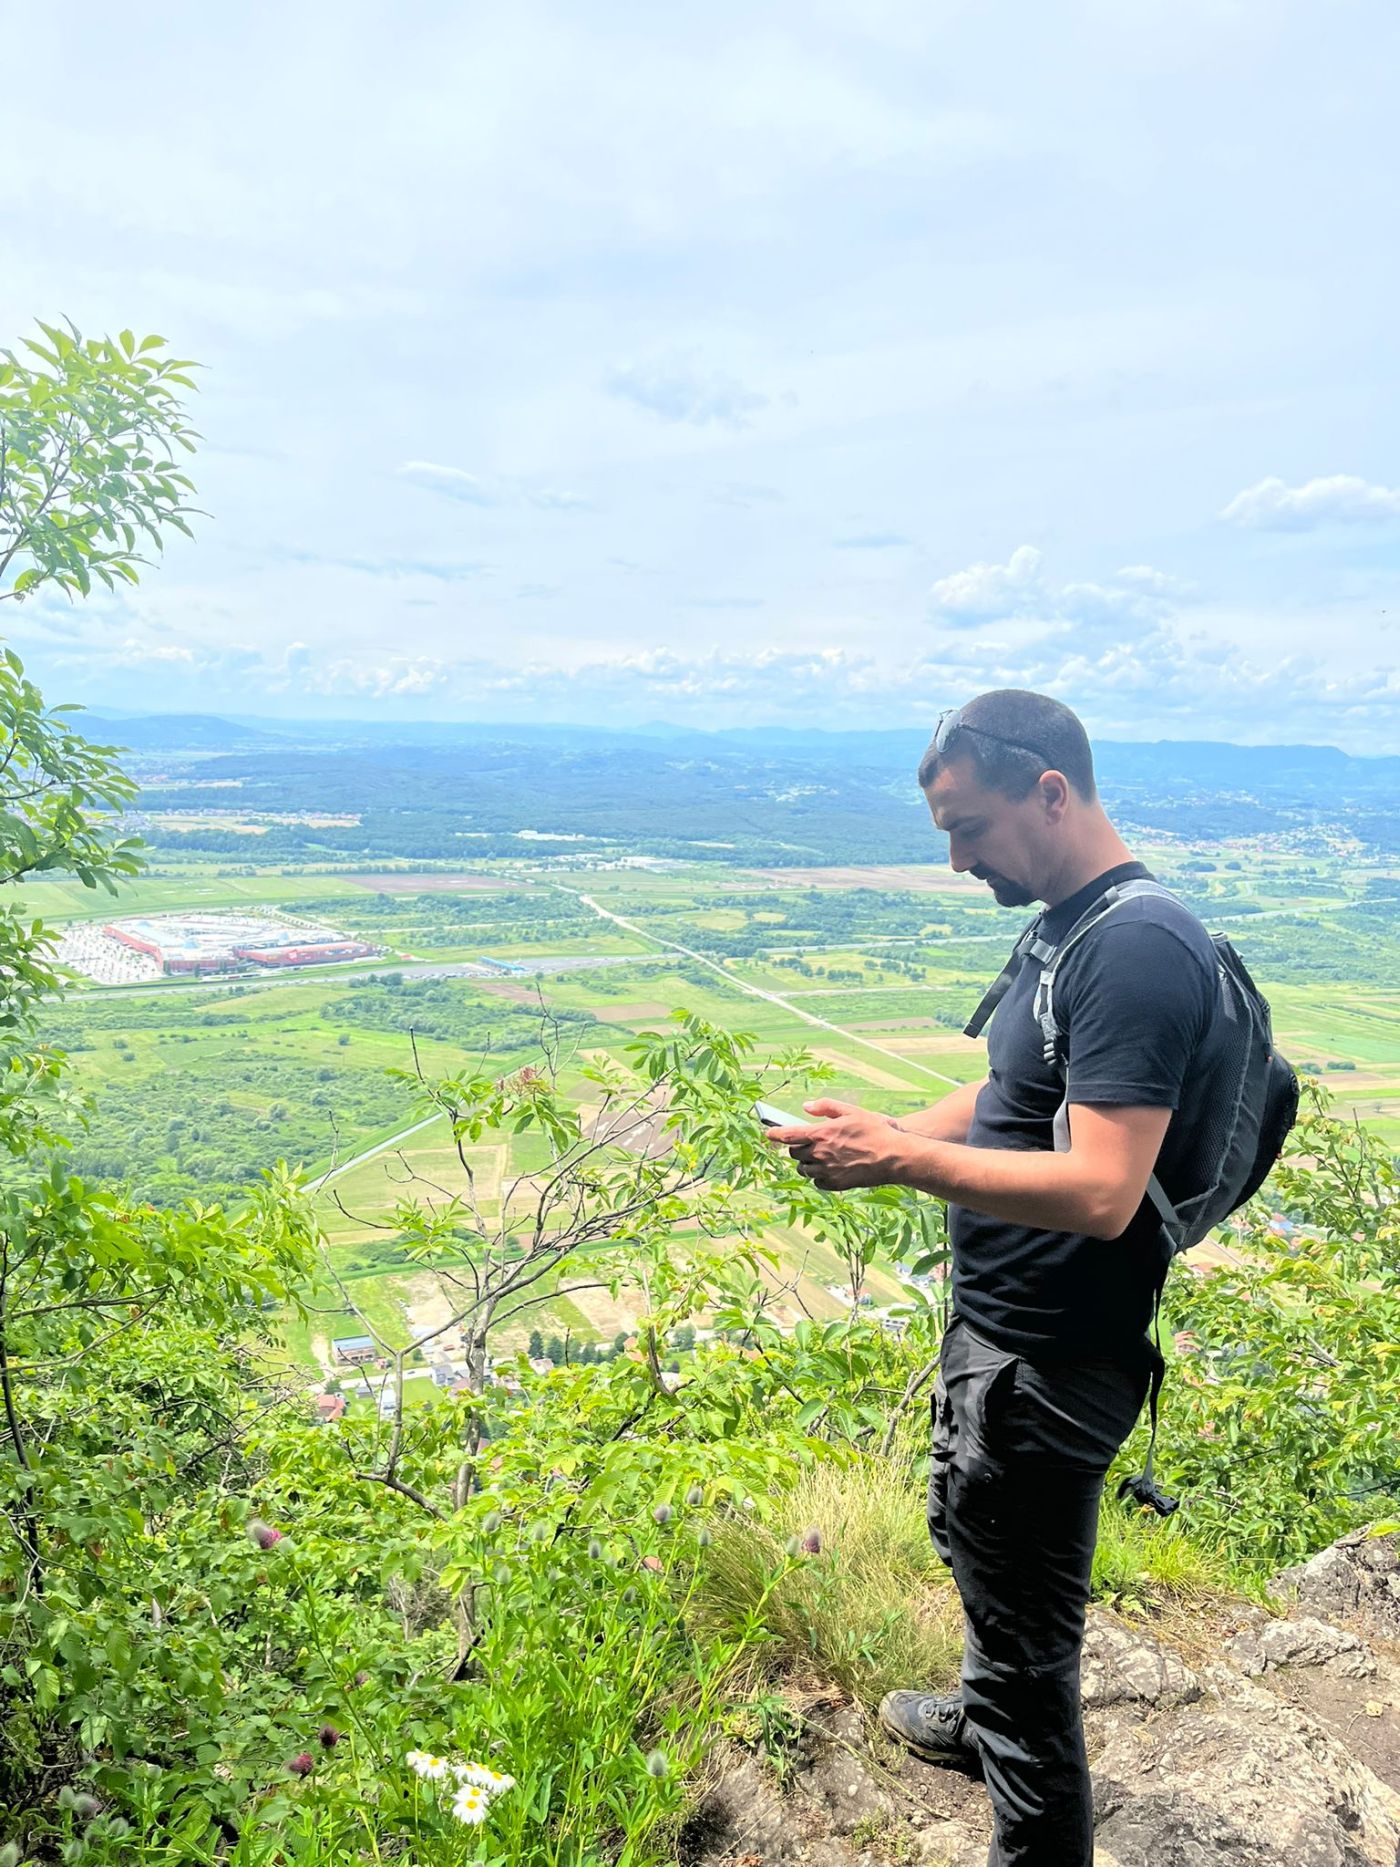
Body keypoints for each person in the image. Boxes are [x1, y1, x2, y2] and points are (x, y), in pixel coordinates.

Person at [765, 689, 1221, 1867]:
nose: (957, 859)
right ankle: (978, 1716)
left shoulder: (1134, 948)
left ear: (1048, 792)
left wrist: (897, 1161)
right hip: (1004, 1333)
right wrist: (881, 1135)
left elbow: (1103, 1187)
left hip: (1054, 1360)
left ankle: (1019, 1788)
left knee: (1029, 1656)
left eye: (967, 827)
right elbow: (1010, 1091)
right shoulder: (1069, 927)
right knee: (980, 1543)